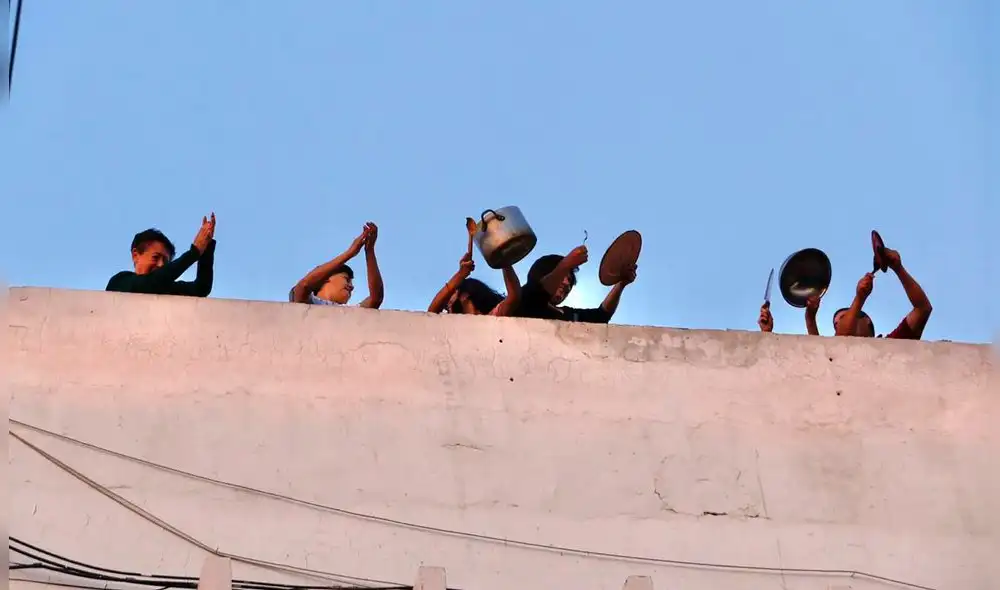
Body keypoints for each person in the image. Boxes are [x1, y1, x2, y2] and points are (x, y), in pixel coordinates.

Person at [516, 245, 636, 323]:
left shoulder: (570, 315)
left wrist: (621, 284)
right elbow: (537, 292)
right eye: (563, 276)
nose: (567, 284)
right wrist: (566, 264)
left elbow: (602, 315)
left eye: (570, 280)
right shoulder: (522, 300)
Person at [106, 214, 216, 297]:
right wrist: (194, 252)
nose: (161, 265)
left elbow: (201, 288)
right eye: (155, 257)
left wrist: (205, 246)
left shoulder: (166, 288)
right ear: (136, 255)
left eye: (166, 262)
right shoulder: (120, 282)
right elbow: (149, 283)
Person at [834, 247, 932, 339]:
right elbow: (842, 339)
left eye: (843, 318)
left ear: (867, 320)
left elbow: (922, 308)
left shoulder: (892, 344)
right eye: (835, 325)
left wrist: (898, 268)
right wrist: (859, 298)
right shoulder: (833, 350)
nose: (838, 326)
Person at [289, 222, 384, 308]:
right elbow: (303, 286)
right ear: (325, 278)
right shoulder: (310, 302)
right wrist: (349, 253)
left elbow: (376, 299)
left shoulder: (350, 311)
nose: (352, 287)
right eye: (346, 279)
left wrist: (369, 250)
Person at [427, 253, 521, 316]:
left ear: (465, 296)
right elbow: (431, 313)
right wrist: (460, 275)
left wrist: (504, 261)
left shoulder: (490, 319)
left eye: (454, 305)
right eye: (447, 308)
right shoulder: (453, 326)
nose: (450, 311)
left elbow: (514, 296)